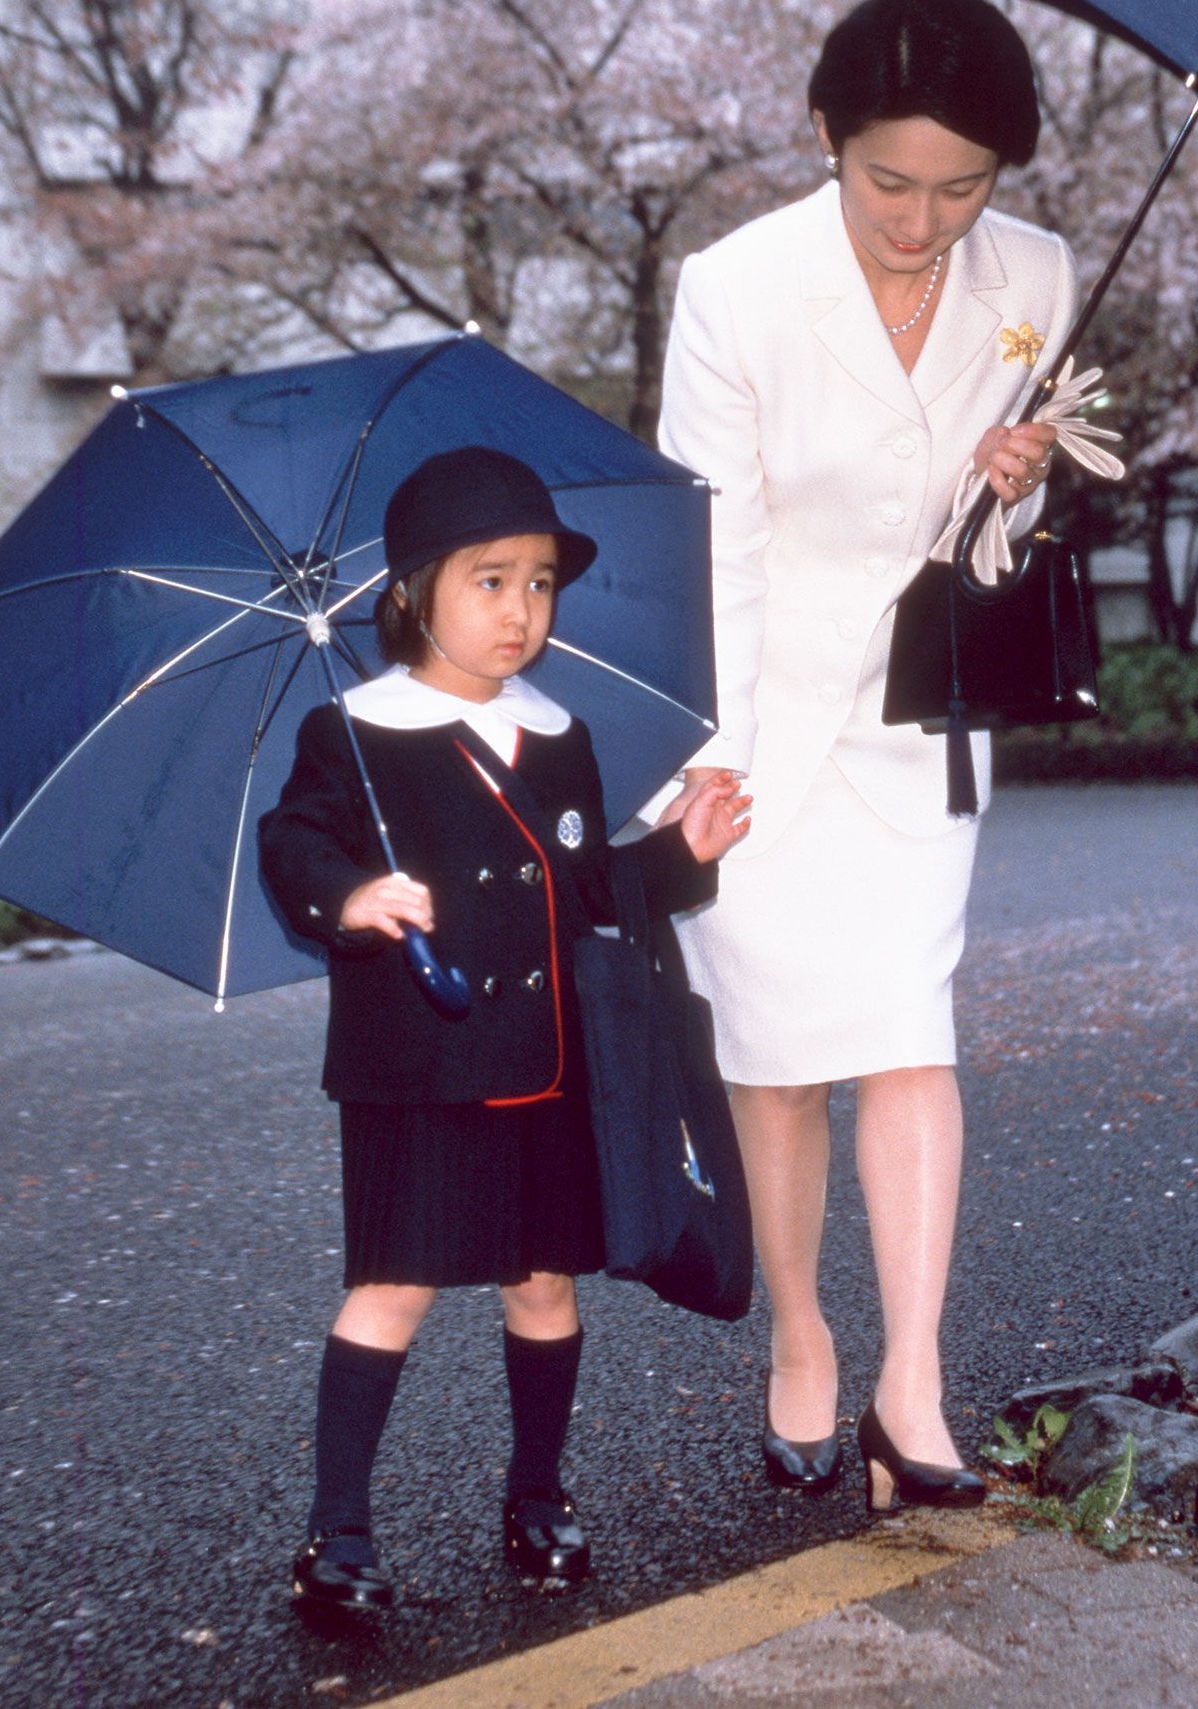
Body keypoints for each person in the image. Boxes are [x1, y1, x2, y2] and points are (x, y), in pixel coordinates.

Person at [655, 0, 1076, 1513]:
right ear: (825, 138)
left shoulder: (1037, 275)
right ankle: (803, 1335)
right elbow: (717, 545)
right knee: (774, 1058)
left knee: (908, 1027)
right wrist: (715, 759)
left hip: (912, 719)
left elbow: (989, 553)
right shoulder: (738, 287)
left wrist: (1013, 487)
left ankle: (915, 1378)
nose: (923, 222)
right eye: (890, 182)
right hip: (758, 715)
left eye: (961, 189)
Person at [259, 446, 748, 1611]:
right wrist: (352, 895)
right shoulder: (357, 733)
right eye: (488, 580)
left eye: (538, 582)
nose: (519, 609)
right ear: (409, 592)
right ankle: (337, 1535)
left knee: (544, 1282)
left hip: (548, 1068)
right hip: (419, 1065)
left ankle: (537, 1495)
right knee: (394, 1282)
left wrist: (677, 858)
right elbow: (293, 842)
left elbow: (581, 892)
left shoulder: (557, 733)